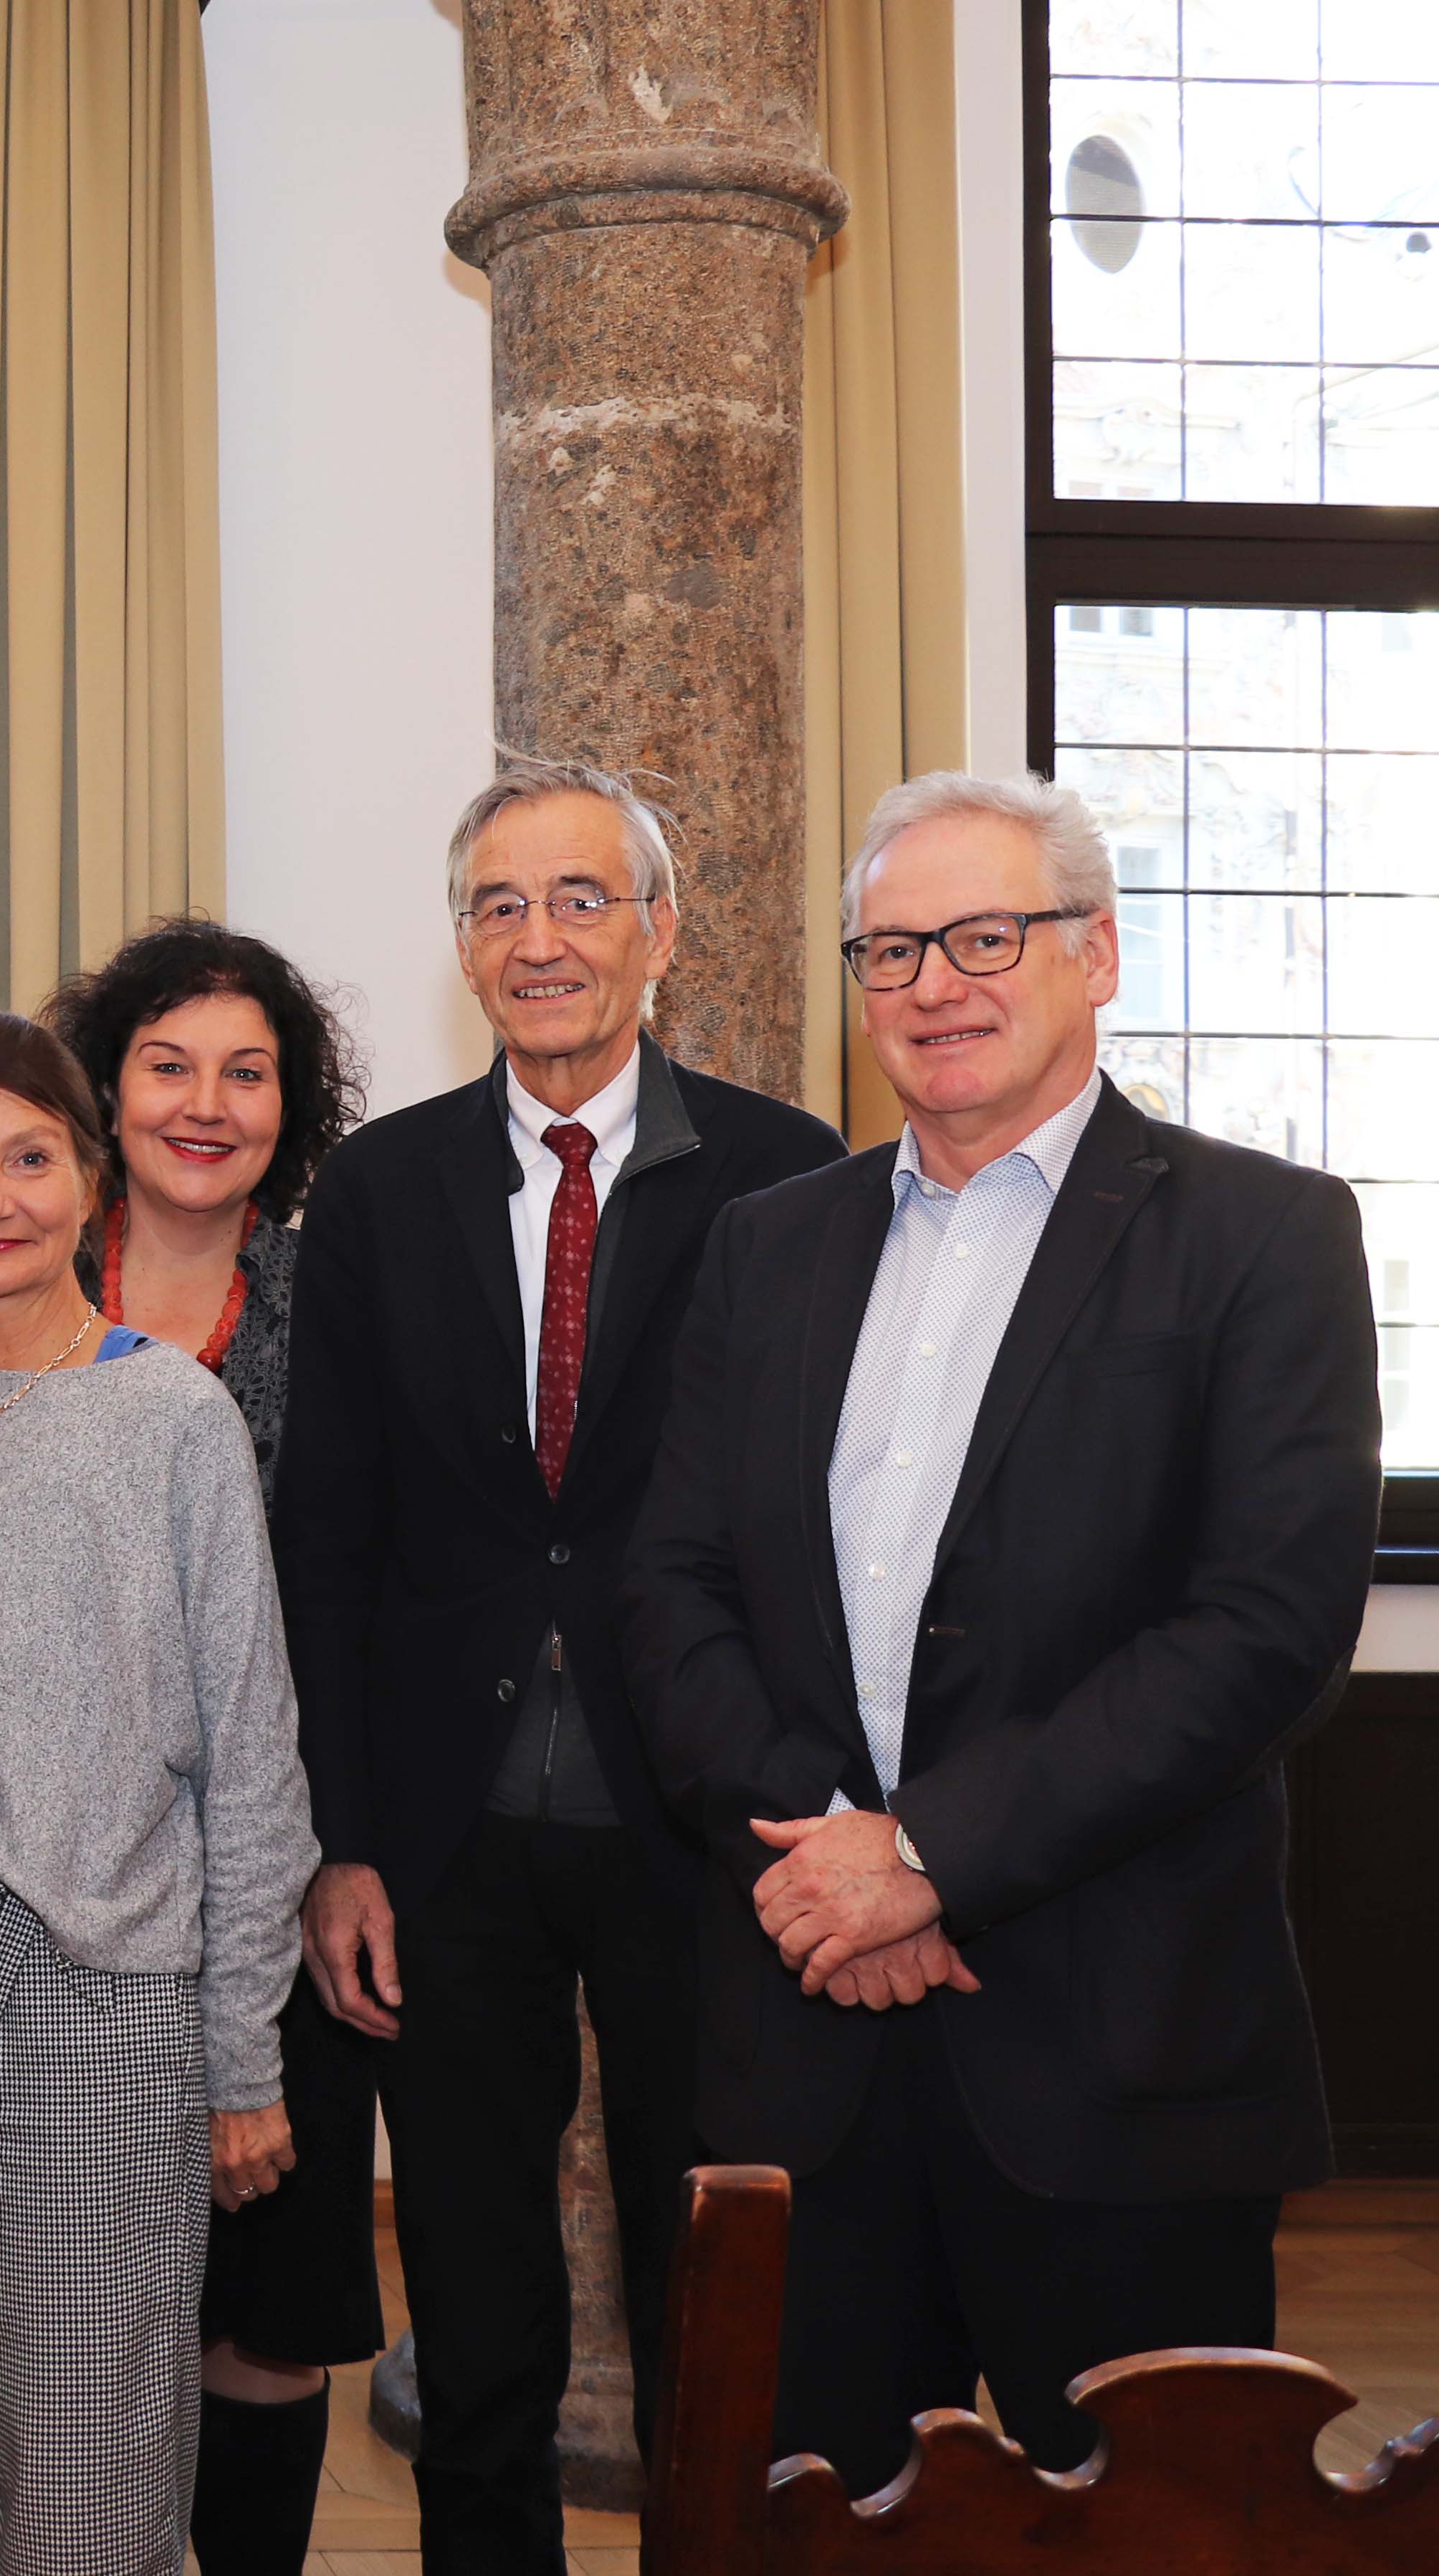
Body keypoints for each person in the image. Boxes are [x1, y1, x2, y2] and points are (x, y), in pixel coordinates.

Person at [624, 771, 1377, 2494]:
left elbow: (1264, 1627)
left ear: (1096, 952)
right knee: (805, 2528)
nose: (934, 983)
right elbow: (669, 1587)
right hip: (805, 2052)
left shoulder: (1262, 1234)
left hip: (1116, 2059)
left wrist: (930, 1856)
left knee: (1150, 2546)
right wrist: (836, 1859)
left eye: (985, 935)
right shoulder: (768, 1247)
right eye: (890, 948)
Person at [271, 756, 842, 2572]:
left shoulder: (786, 1175)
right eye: (500, 906)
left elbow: (817, 1530)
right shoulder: (378, 1190)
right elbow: (329, 1538)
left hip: (703, 1818)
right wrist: (341, 1840)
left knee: (715, 2279)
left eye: (583, 898)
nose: (542, 939)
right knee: (475, 2280)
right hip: (445, 1836)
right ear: (460, 945)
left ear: (662, 930)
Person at [0, 1006, 315, 2576]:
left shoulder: (173, 1414)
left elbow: (253, 1758)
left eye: (27, 1158)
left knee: (86, 2449)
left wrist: (241, 2054)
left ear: (90, 1178)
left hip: (90, 1972)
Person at [44, 921, 376, 2576]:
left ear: (288, 1105)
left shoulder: (342, 1304)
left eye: (247, 1071)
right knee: (81, 2325)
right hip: (52, 1910)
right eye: (168, 1064)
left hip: (281, 1892)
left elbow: (388, 1602)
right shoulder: (10, 1284)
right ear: (104, 1092)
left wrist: (349, 1855)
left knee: (268, 2316)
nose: (205, 1101)